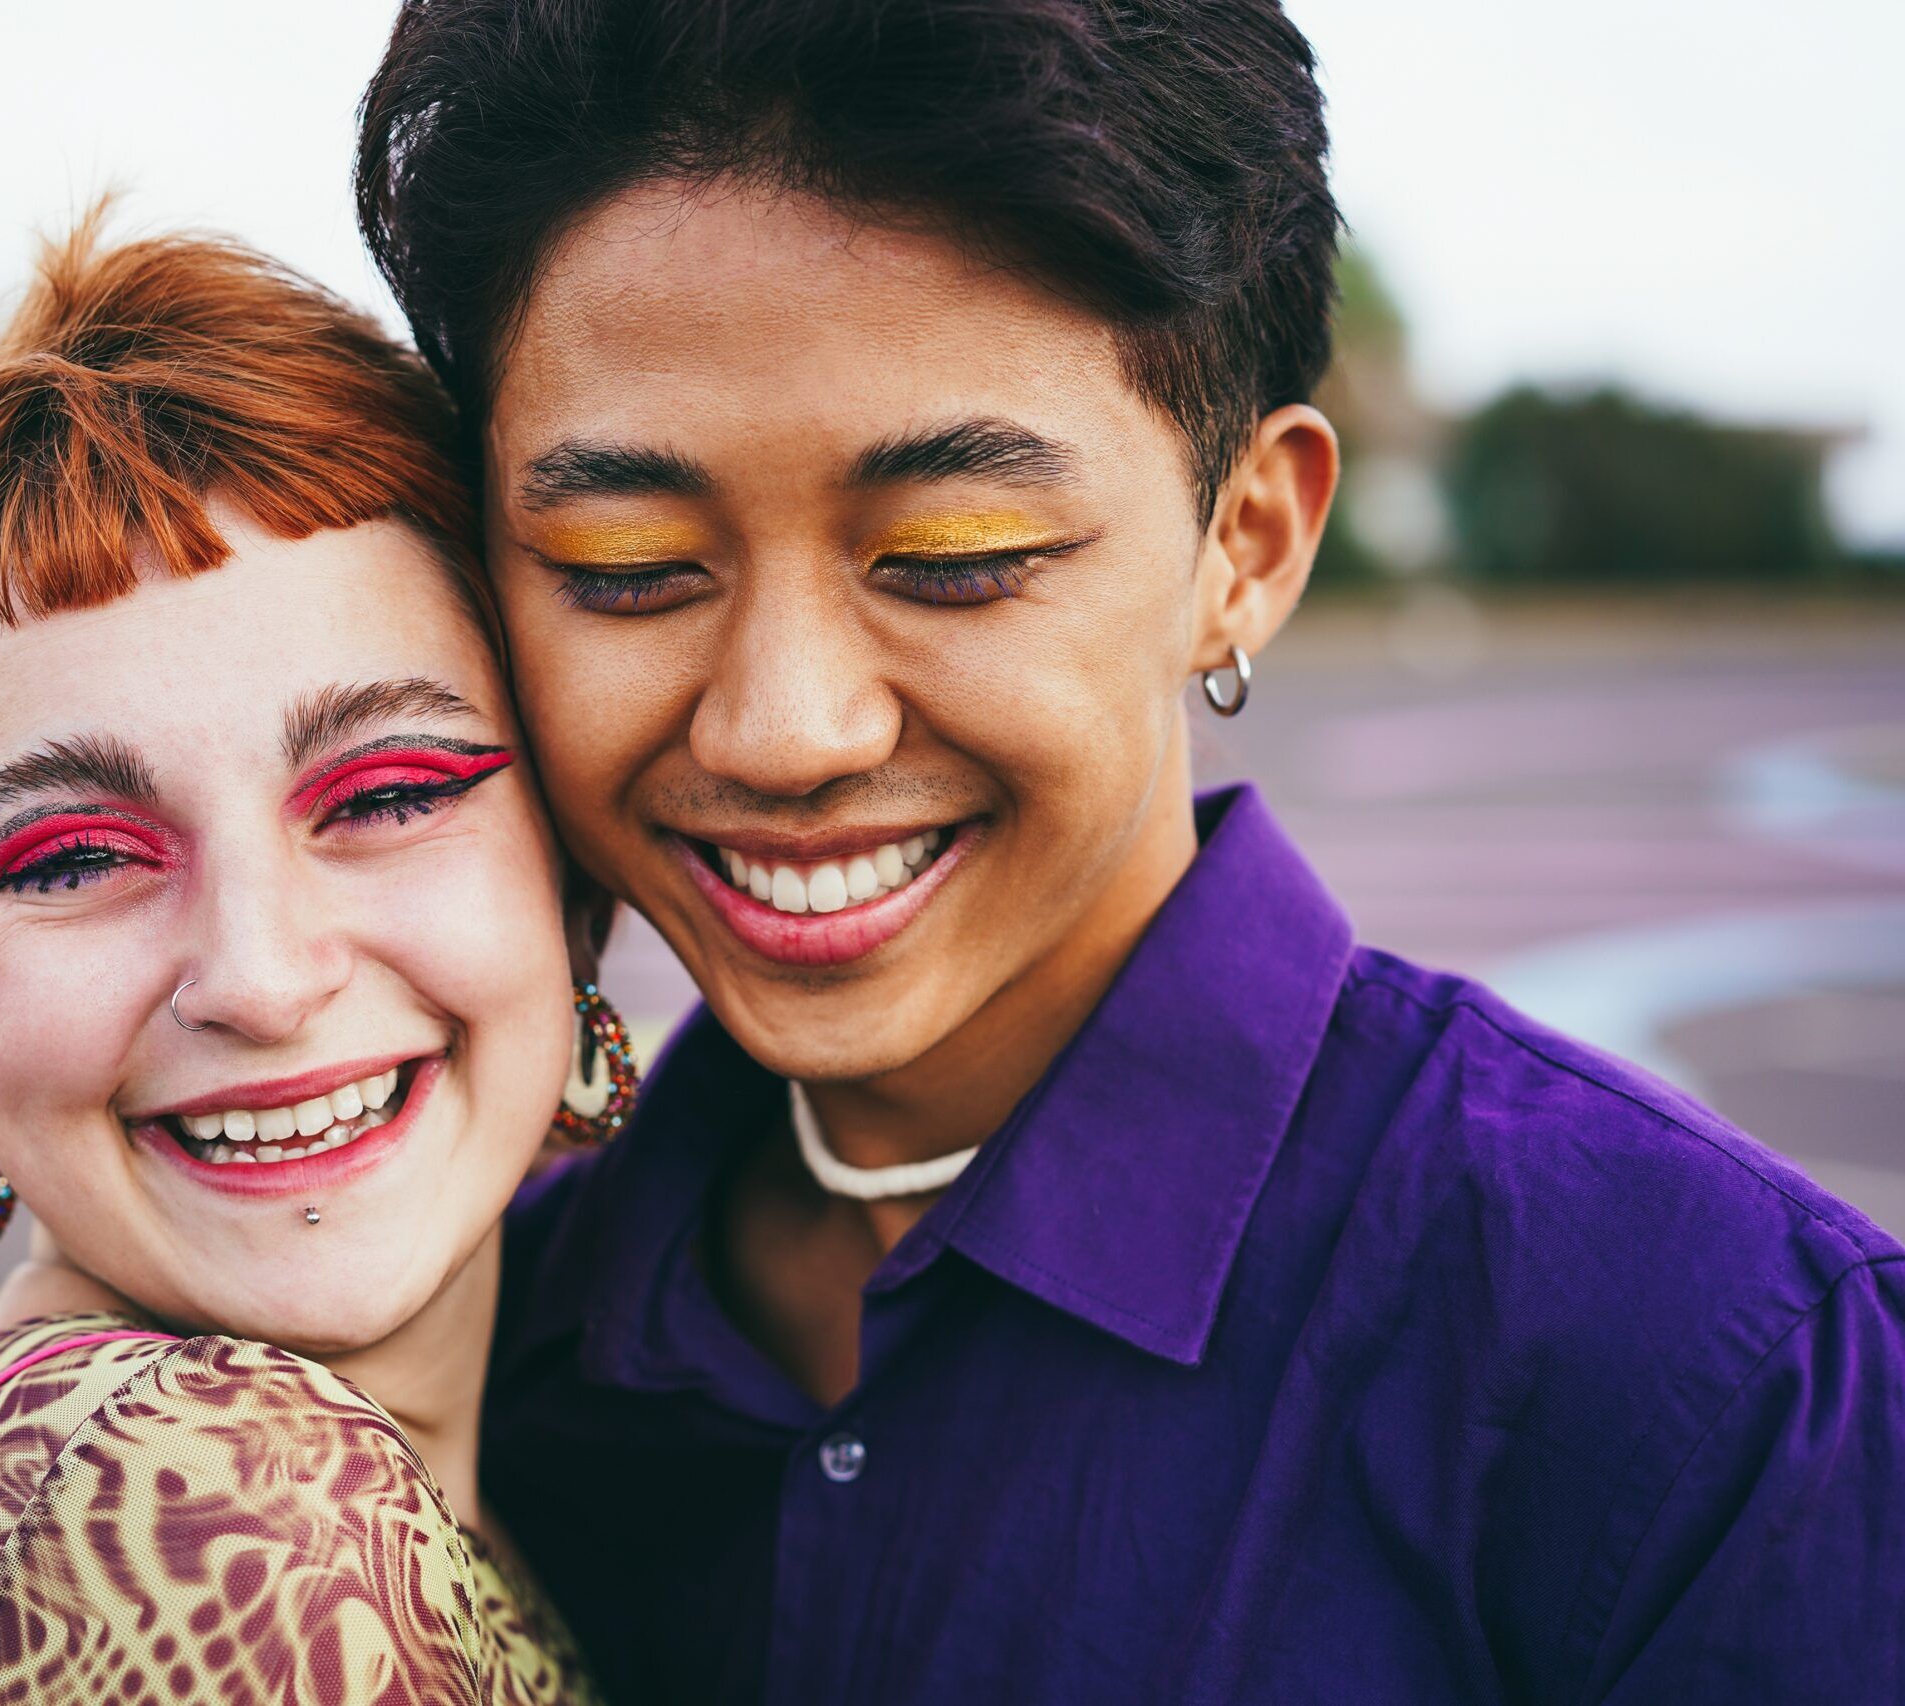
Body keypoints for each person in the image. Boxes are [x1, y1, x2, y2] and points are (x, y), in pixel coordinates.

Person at [353, 2, 1905, 1701]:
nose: (783, 729)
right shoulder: (472, 1319)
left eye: (955, 551)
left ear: (1246, 543)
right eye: (627, 559)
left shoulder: (1713, 1369)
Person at [0, 216, 609, 1705]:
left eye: (391, 791)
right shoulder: (216, 1513)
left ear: (571, 866)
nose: (263, 975)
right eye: (71, 858)